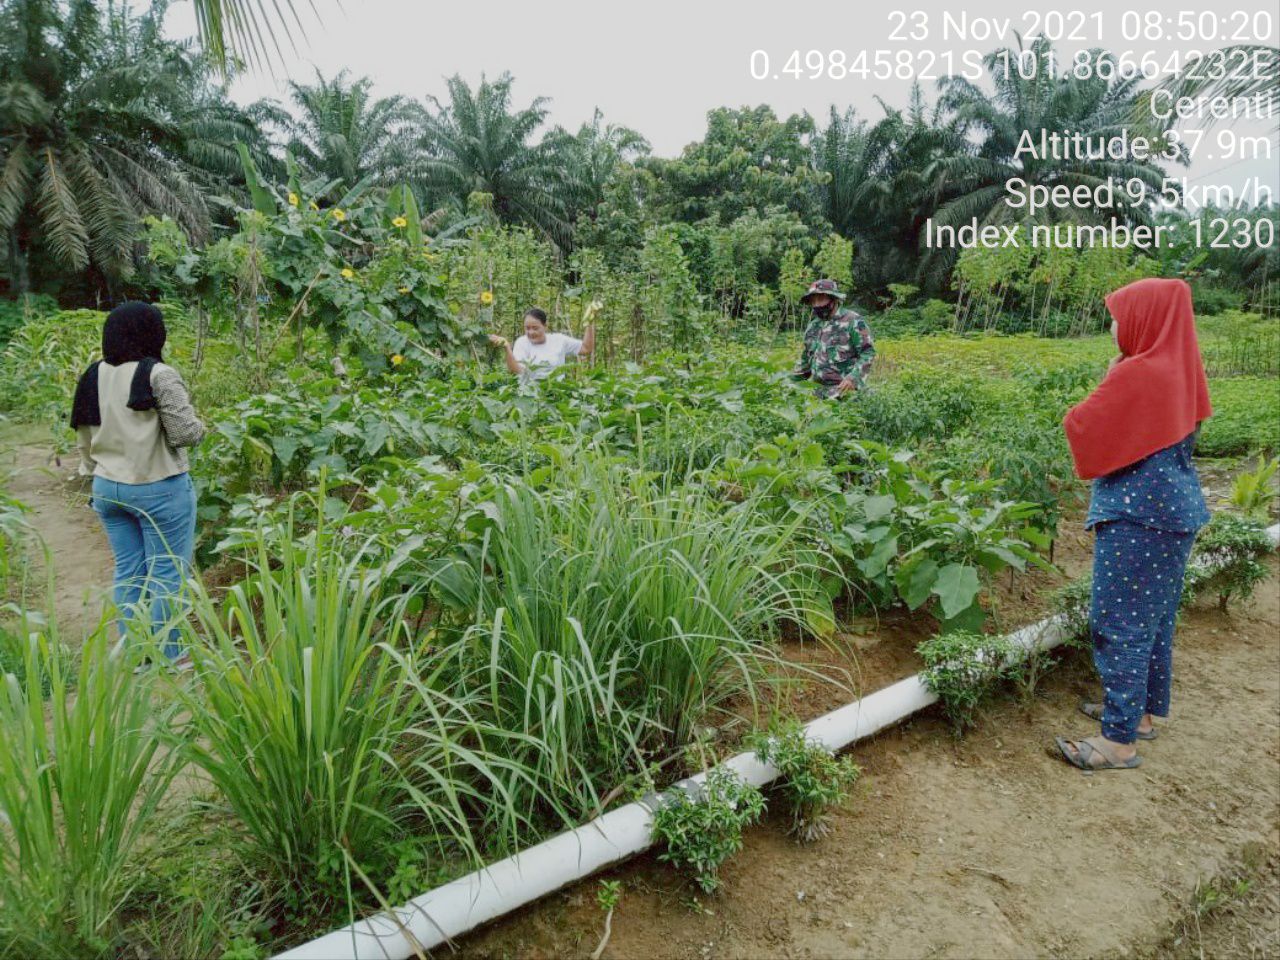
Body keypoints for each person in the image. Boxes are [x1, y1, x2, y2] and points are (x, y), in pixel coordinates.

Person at [1055, 278, 1212, 771]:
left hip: (1138, 515)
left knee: (1118, 622)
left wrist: (1112, 375)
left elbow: (1081, 424)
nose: (1113, 326)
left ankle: (1118, 741)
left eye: (1119, 316)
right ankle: (1138, 716)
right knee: (1154, 620)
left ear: (1145, 319)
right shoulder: (1181, 368)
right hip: (1174, 512)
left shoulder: (1139, 372)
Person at [70, 301, 206, 666]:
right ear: (153, 333)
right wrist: (203, 427)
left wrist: (94, 470)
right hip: (159, 487)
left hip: (107, 489)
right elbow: (185, 433)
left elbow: (84, 435)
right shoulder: (159, 374)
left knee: (129, 572)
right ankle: (169, 656)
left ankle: (134, 654)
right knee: (167, 574)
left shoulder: (93, 374)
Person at [792, 279, 875, 398]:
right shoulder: (813, 327)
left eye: (821, 299)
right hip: (818, 394)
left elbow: (867, 352)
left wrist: (853, 378)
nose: (816, 305)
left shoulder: (853, 321)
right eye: (813, 301)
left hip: (846, 392)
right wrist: (786, 382)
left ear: (834, 299)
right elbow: (805, 361)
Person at [489, 307, 595, 380]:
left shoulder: (559, 340)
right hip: (530, 395)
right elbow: (516, 370)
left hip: (557, 395)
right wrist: (507, 347)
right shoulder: (521, 343)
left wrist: (589, 323)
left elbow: (586, 349)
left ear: (545, 326)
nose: (531, 332)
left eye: (535, 328)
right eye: (527, 328)